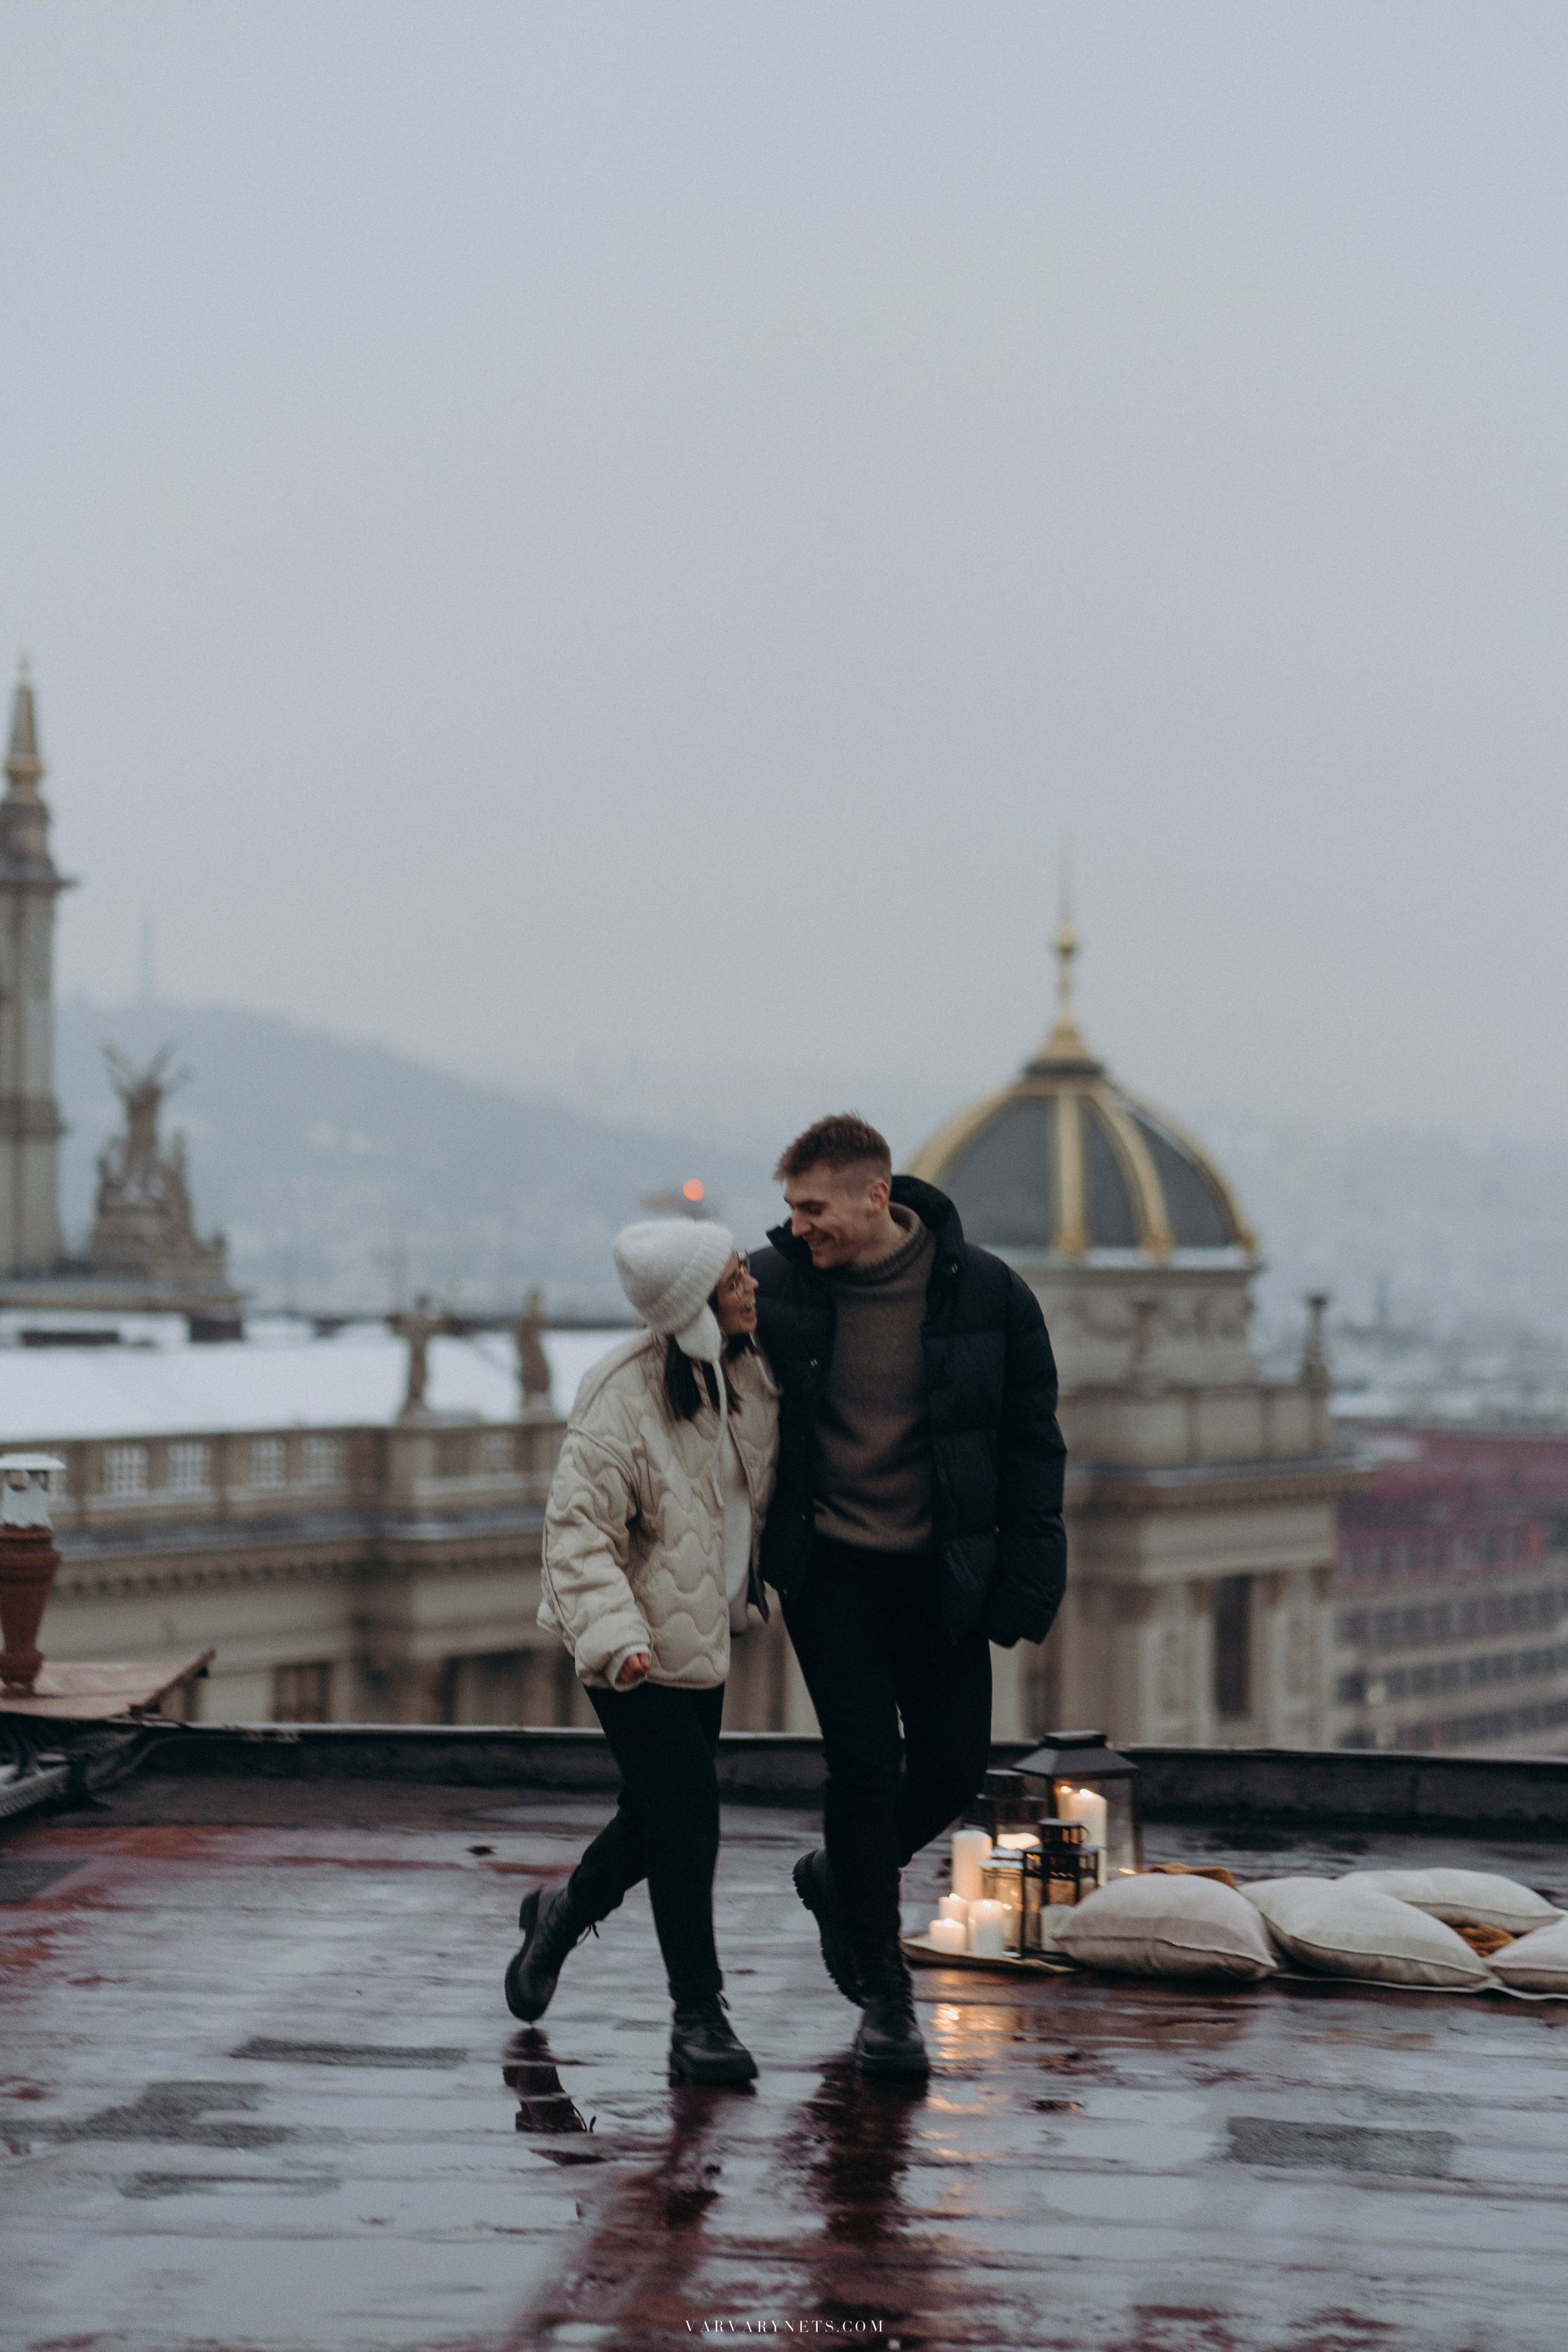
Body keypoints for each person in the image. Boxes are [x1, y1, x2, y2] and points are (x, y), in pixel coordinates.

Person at [752, 1114, 1066, 2079]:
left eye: (813, 1208)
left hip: (938, 1571)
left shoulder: (991, 1294)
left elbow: (1030, 1446)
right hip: (831, 1566)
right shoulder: (772, 1288)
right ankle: (888, 2000)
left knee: (952, 1766)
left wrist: (1023, 1583)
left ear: (876, 1195)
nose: (799, 1227)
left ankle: (836, 1877)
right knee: (863, 1769)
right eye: (790, 1209)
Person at [505, 1218, 777, 2086]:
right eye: (735, 1277)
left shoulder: (753, 1370)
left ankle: (561, 1912)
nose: (753, 1285)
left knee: (657, 1813)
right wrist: (618, 1642)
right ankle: (698, 2018)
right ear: (696, 1301)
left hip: (701, 1635)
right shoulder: (618, 1391)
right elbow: (577, 1534)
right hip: (630, 1644)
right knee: (691, 1813)